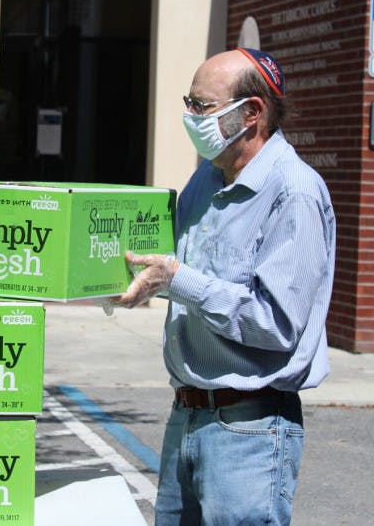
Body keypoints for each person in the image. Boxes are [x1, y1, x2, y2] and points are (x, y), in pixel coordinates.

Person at [117, 48, 336, 525]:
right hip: (187, 416)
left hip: (250, 430)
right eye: (188, 103)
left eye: (202, 105)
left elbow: (277, 325)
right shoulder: (205, 179)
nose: (189, 116)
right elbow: (176, 270)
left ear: (251, 112)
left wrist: (176, 280)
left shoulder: (293, 192)